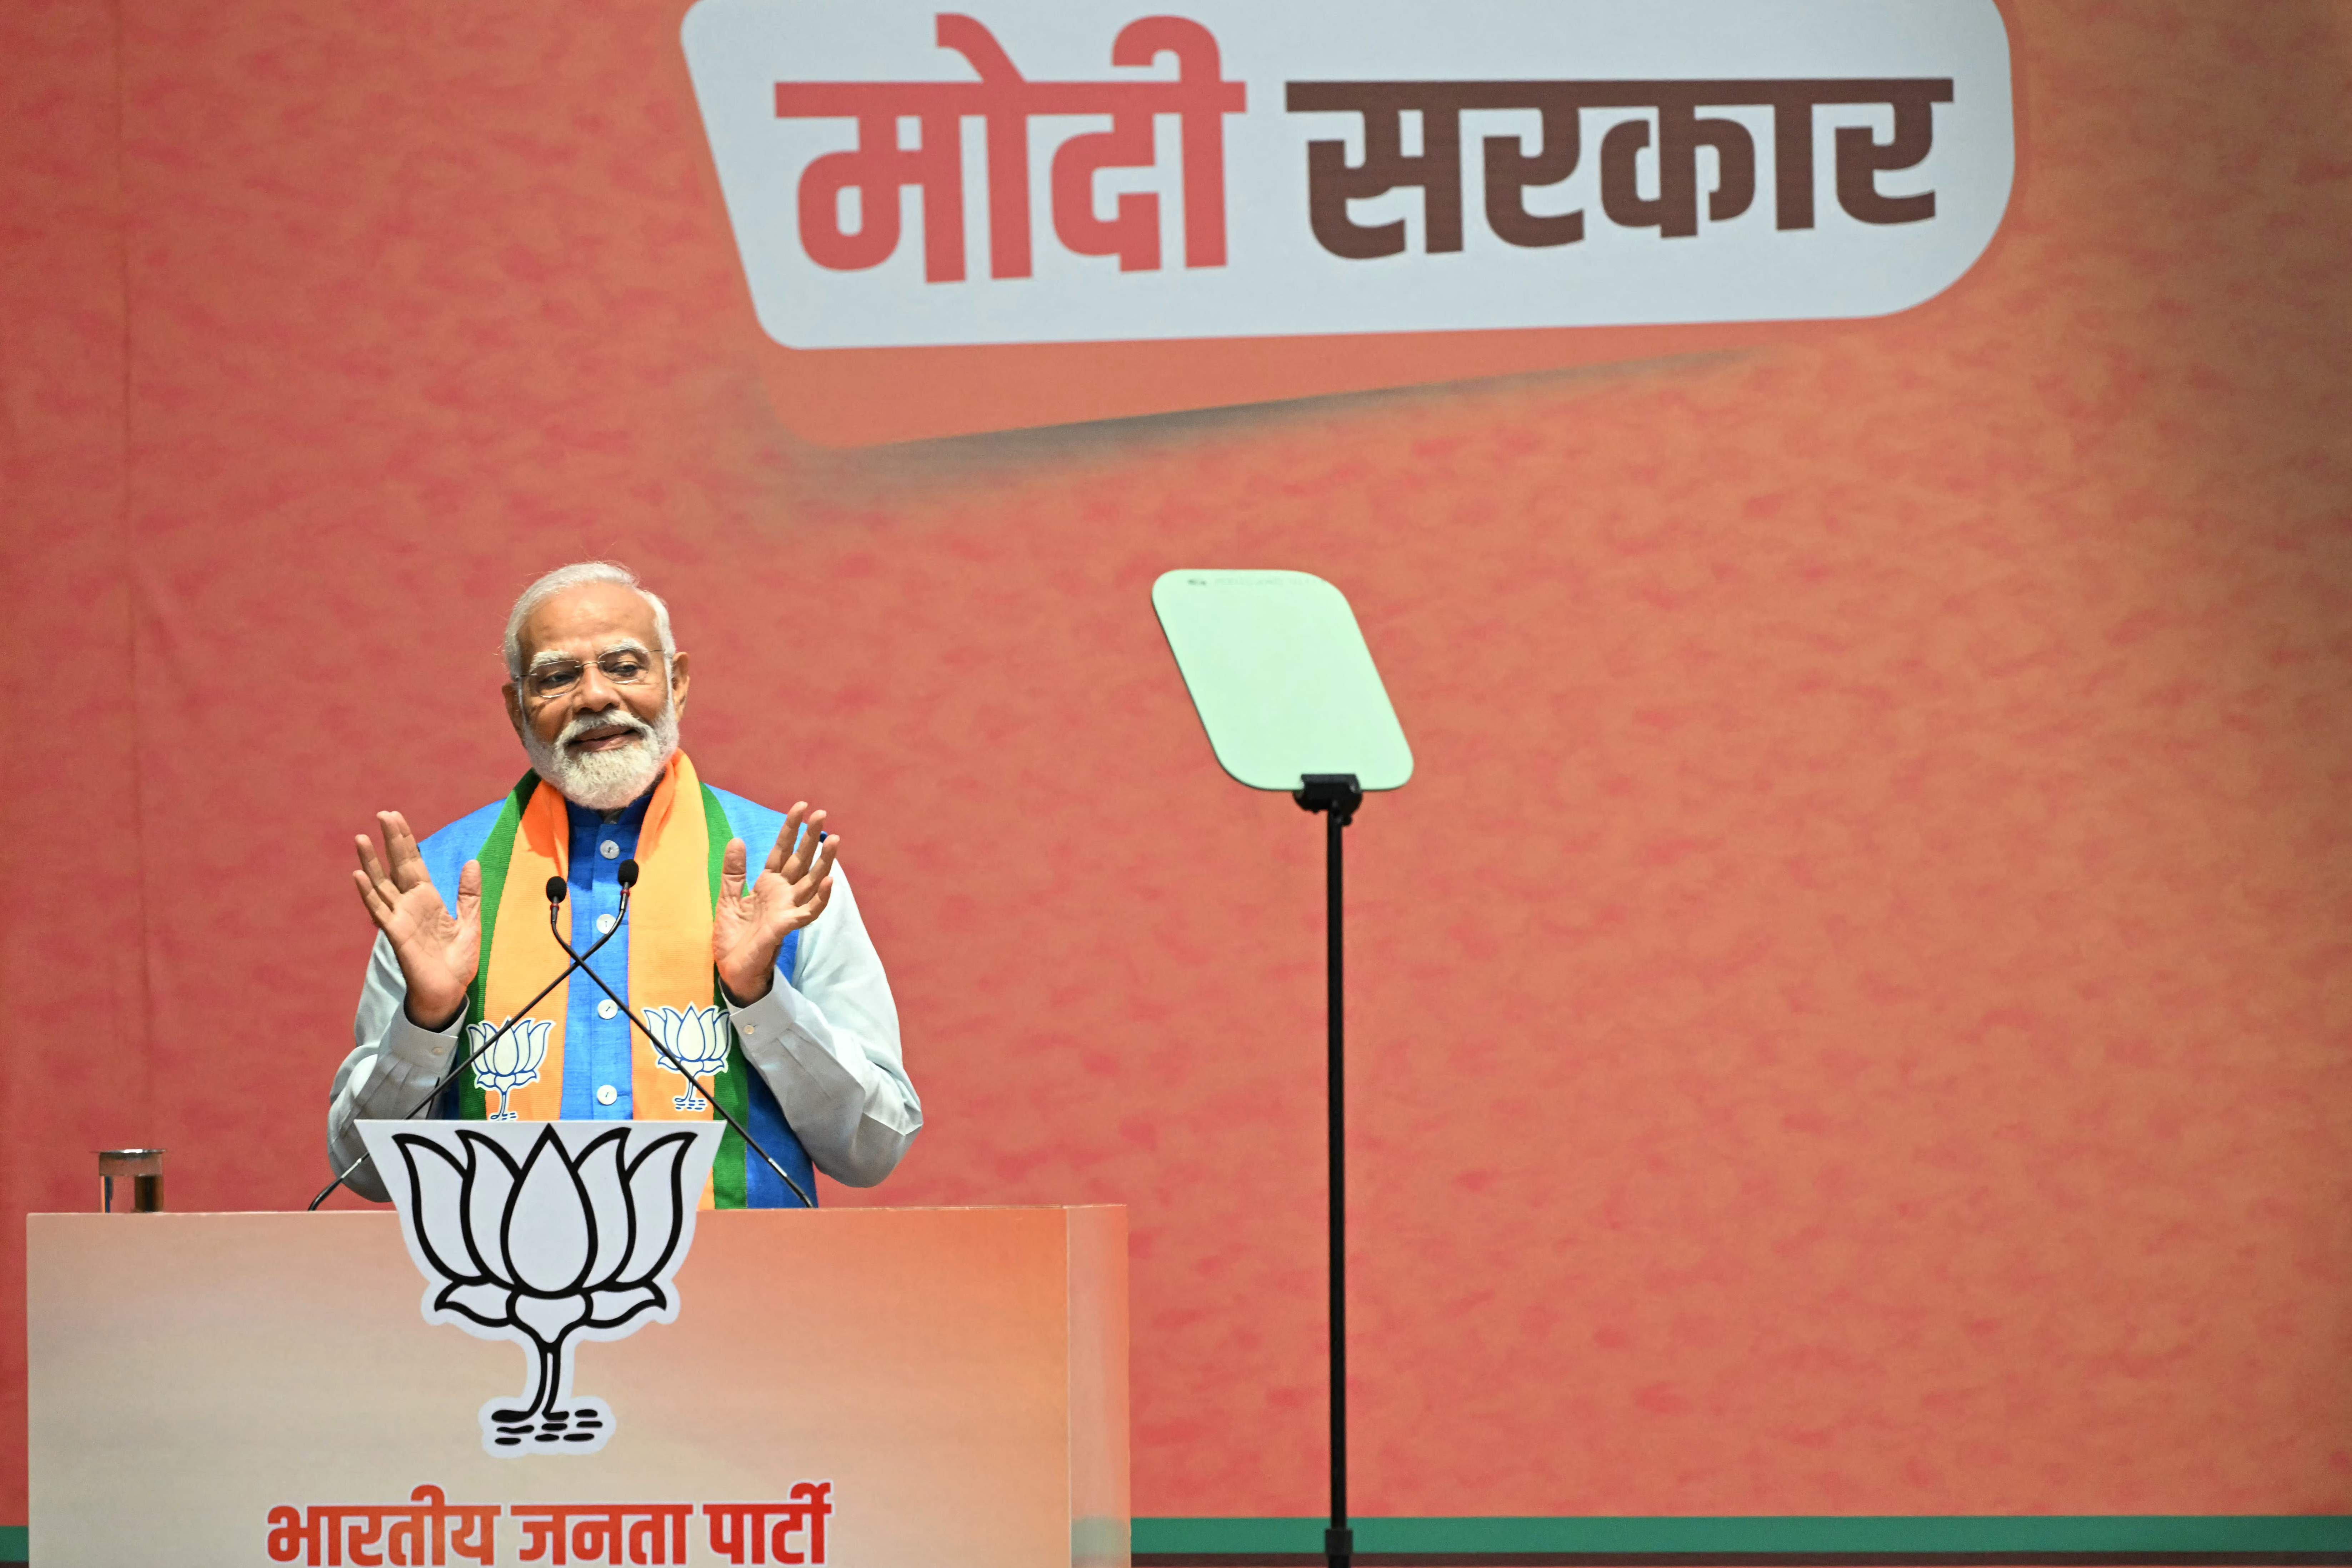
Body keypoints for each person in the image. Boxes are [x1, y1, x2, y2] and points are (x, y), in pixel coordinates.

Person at [326, 561, 920, 1205]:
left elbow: (873, 1148)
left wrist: (760, 1000)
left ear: (678, 683)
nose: (594, 697)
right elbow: (361, 1171)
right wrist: (428, 1020)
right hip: (506, 1270)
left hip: (743, 1269)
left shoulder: (782, 874)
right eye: (557, 677)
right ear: (516, 709)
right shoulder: (442, 883)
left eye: (625, 666)